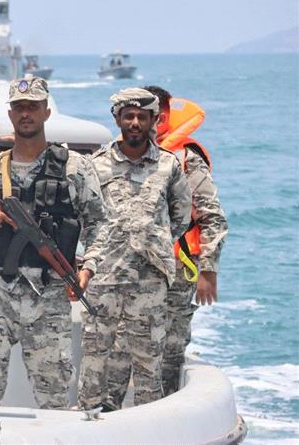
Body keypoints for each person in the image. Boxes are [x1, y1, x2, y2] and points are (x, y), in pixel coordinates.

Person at [0, 76, 107, 409]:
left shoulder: (75, 168)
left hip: (50, 295)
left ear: (46, 112)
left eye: (33, 107)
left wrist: (88, 268)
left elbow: (100, 224)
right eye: (19, 107)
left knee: (54, 397)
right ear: (10, 114)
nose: (25, 113)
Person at [104, 86, 228, 407]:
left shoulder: (186, 159)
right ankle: (109, 413)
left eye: (154, 114)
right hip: (130, 269)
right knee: (120, 344)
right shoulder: (124, 156)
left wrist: (208, 271)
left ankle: (167, 412)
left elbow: (213, 217)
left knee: (169, 348)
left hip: (176, 272)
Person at [77, 87, 192, 411]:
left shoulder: (168, 165)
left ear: (154, 120)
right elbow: (83, 213)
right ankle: (87, 421)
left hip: (149, 283)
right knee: (94, 357)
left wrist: (152, 239)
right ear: (117, 119)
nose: (135, 123)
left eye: (143, 116)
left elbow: (181, 216)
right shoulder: (95, 165)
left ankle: (148, 426)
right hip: (104, 278)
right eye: (129, 116)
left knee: (148, 363)